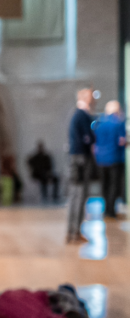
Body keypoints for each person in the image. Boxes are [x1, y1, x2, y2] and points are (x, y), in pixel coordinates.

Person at [66, 88, 97, 243]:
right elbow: (89, 137)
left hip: (76, 158)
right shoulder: (82, 115)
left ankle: (73, 231)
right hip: (81, 159)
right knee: (79, 195)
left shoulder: (76, 114)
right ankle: (75, 232)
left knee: (75, 195)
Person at [94, 101, 126, 219]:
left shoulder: (99, 123)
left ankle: (106, 209)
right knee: (114, 185)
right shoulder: (118, 123)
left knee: (105, 185)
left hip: (101, 160)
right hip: (114, 159)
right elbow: (121, 141)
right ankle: (111, 210)